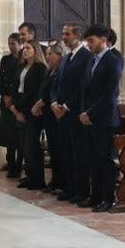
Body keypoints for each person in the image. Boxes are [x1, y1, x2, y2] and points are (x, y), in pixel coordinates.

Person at [79, 26, 123, 211]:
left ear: (103, 40)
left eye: (91, 41)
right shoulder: (91, 60)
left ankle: (108, 198)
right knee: (92, 158)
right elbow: (85, 89)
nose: (88, 45)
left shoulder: (113, 61)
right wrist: (83, 111)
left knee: (105, 161)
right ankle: (95, 196)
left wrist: (90, 113)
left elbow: (109, 94)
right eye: (87, 41)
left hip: (105, 118)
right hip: (90, 118)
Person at [53, 22, 91, 204]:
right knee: (65, 153)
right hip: (60, 113)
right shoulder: (66, 58)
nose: (63, 37)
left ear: (76, 36)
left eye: (66, 34)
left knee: (79, 154)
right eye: (63, 33)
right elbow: (56, 83)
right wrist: (54, 103)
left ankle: (81, 190)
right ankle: (70, 188)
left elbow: (81, 86)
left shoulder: (85, 57)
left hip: (73, 113)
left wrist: (66, 106)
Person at [15, 40, 50, 190]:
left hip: (32, 110)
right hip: (21, 109)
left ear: (35, 50)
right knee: (24, 145)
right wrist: (15, 109)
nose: (25, 50)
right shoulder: (22, 66)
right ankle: (30, 176)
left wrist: (18, 106)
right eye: (24, 48)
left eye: (28, 48)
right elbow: (16, 87)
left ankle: (37, 179)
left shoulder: (40, 68)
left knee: (32, 145)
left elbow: (34, 92)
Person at [35, 45, 65, 192]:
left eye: (50, 54)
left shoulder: (60, 71)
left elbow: (56, 90)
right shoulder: (50, 71)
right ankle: (54, 181)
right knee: (53, 151)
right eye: (46, 54)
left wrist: (44, 102)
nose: (47, 57)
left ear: (59, 55)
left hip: (56, 115)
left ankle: (60, 182)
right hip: (48, 113)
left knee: (59, 151)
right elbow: (45, 89)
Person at [0, 33, 22, 176]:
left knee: (18, 137)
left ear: (20, 44)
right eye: (9, 43)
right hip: (6, 103)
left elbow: (19, 81)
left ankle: (18, 166)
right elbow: (1, 79)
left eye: (13, 43)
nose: (11, 46)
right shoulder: (5, 59)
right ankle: (10, 163)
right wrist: (4, 95)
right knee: (8, 136)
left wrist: (12, 97)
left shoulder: (23, 59)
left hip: (17, 103)